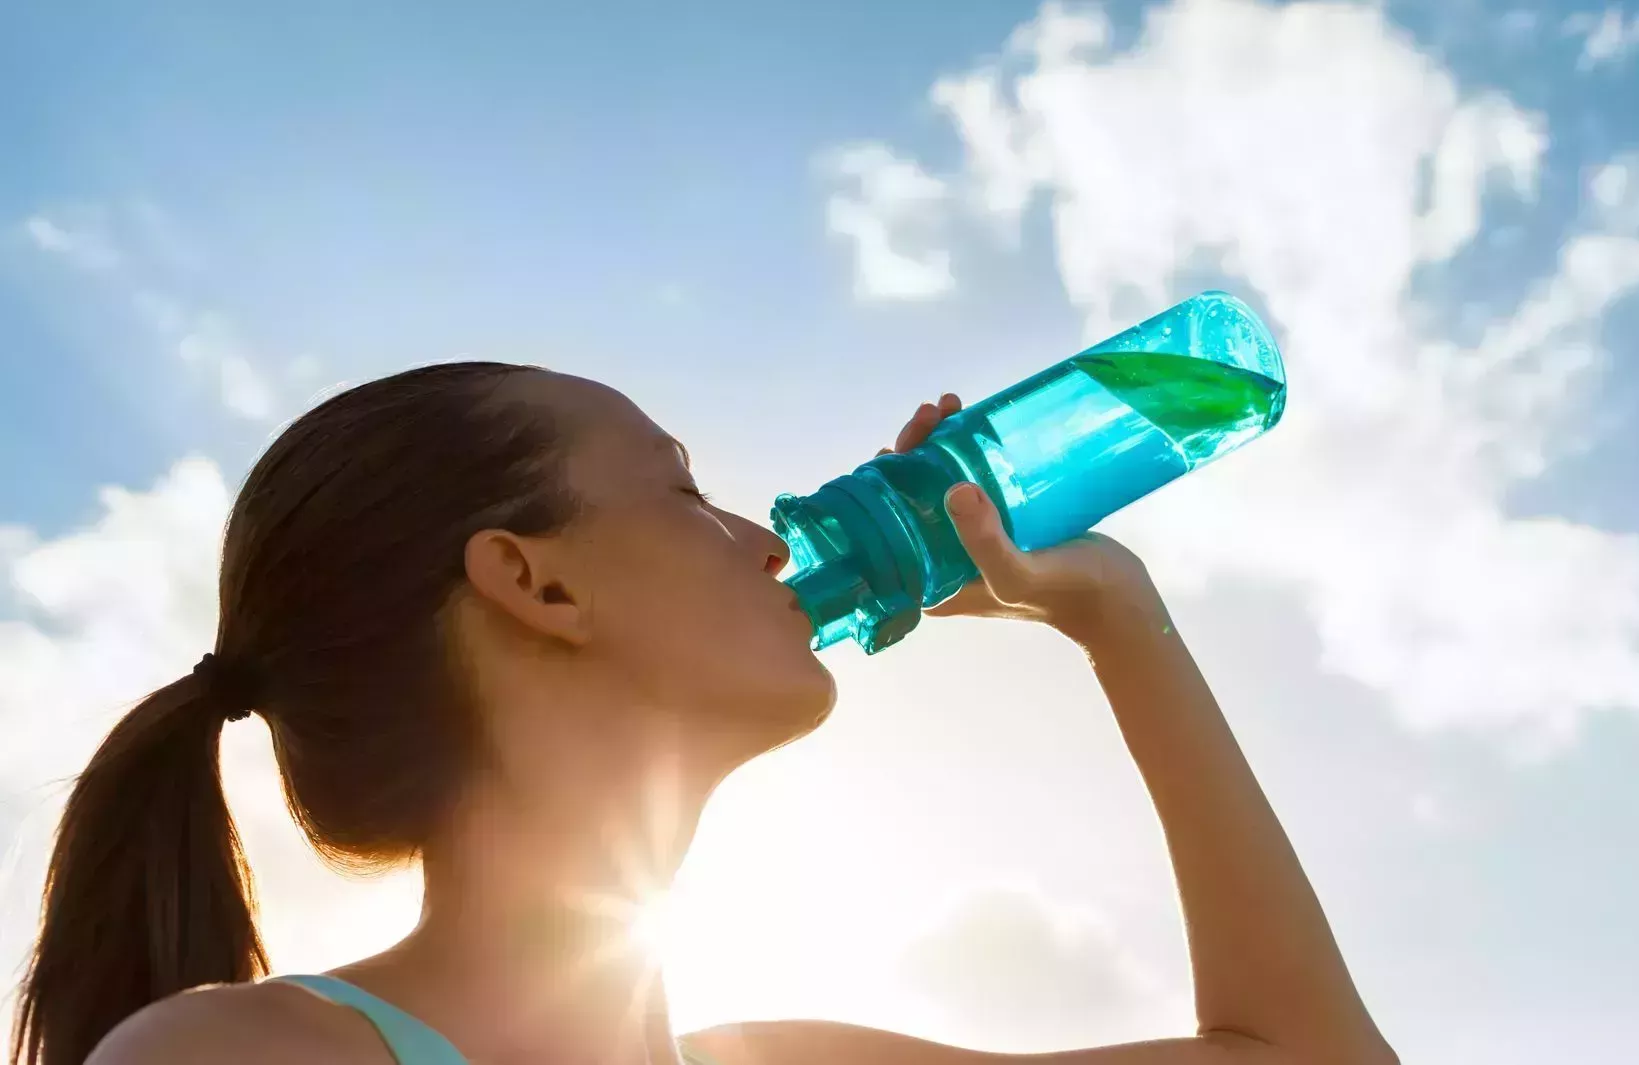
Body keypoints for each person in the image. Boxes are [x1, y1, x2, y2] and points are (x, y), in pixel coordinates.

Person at [9, 363, 1396, 1065]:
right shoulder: (242, 1060)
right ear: (535, 581)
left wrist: (1116, 621)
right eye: (682, 491)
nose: (767, 539)